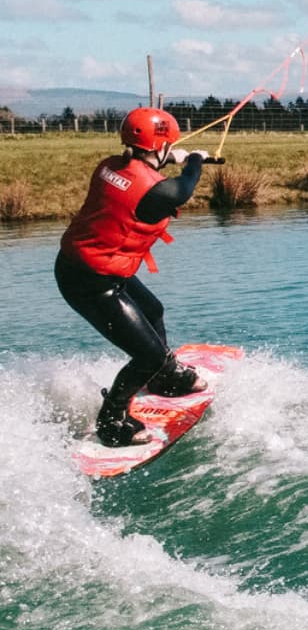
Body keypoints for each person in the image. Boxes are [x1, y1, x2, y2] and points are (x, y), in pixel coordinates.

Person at [55, 107, 211, 447]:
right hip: (90, 281)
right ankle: (112, 422)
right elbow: (181, 190)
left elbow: (139, 174)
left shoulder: (109, 166)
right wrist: (195, 160)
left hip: (88, 267)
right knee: (147, 354)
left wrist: (162, 160)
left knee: (152, 310)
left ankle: (164, 379)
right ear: (162, 146)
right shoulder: (157, 192)